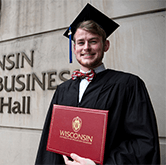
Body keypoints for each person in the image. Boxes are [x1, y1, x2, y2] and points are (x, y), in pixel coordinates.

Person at [35, 3, 160, 165]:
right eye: (80, 42)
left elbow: (143, 143)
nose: (86, 48)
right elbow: (49, 143)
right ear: (74, 48)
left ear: (105, 45)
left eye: (93, 41)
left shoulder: (128, 85)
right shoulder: (63, 90)